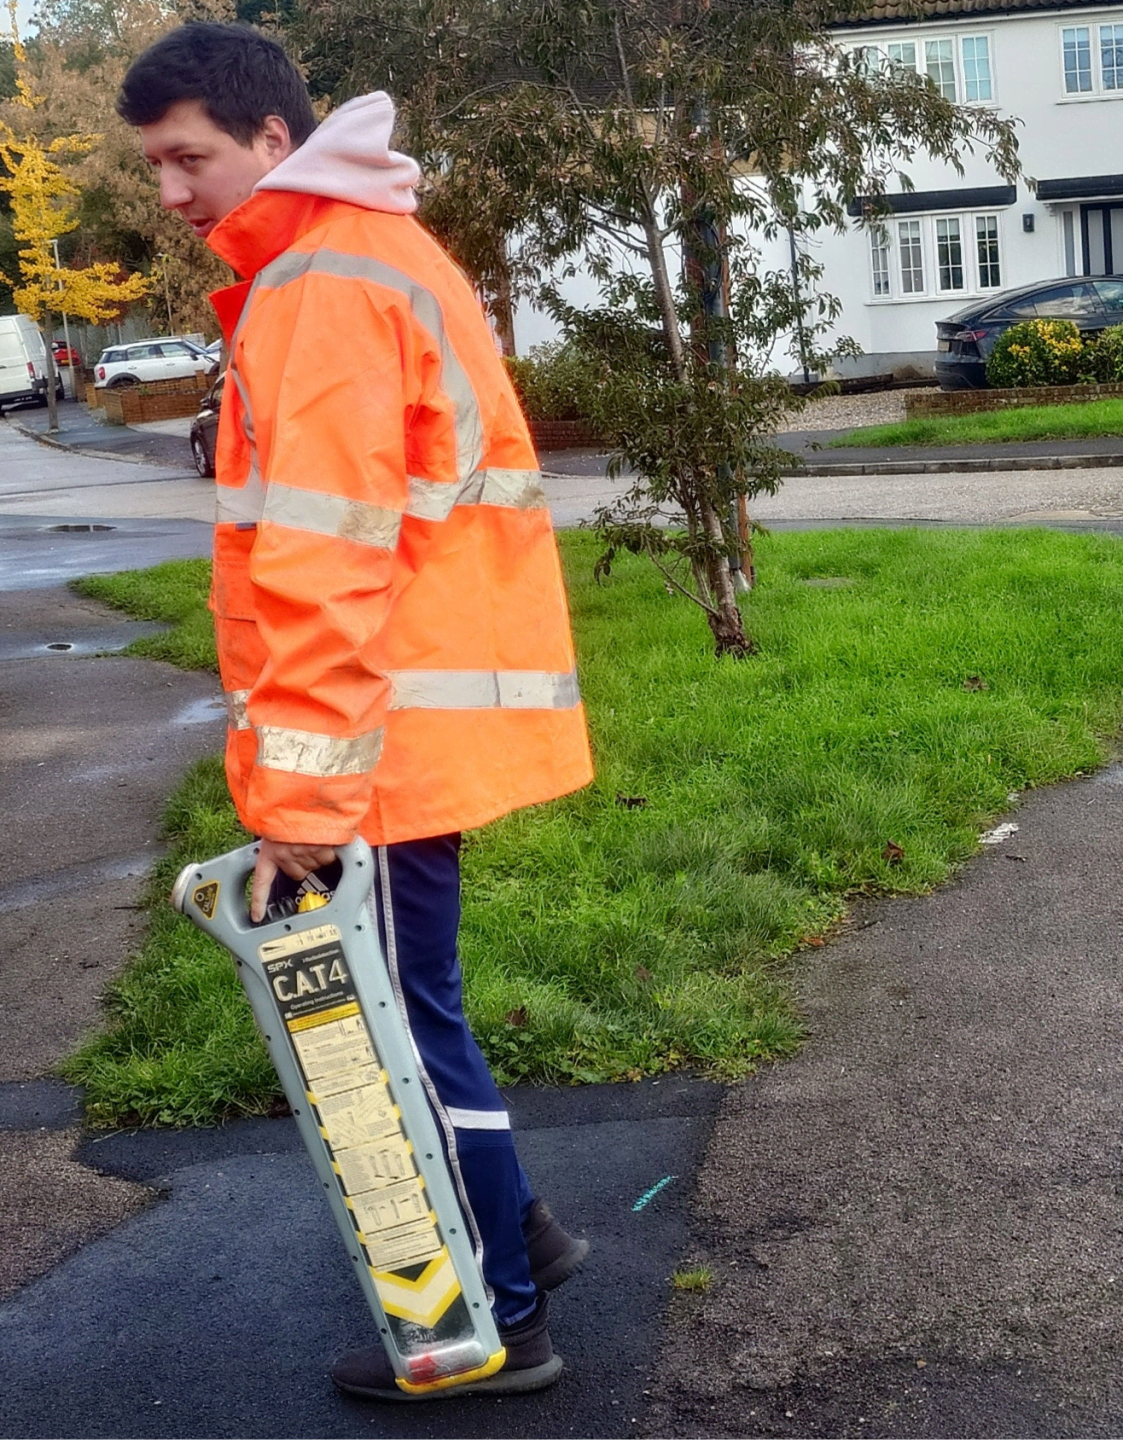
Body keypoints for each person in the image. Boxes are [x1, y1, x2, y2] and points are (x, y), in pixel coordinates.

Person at [117, 22, 596, 1400]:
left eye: (186, 158)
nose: (168, 192)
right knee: (422, 1009)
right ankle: (530, 1241)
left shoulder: (322, 284)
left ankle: (496, 1327)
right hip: (416, 725)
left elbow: (325, 572)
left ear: (274, 138)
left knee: (391, 1041)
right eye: (154, 164)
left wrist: (302, 815)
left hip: (374, 745)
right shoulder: (370, 252)